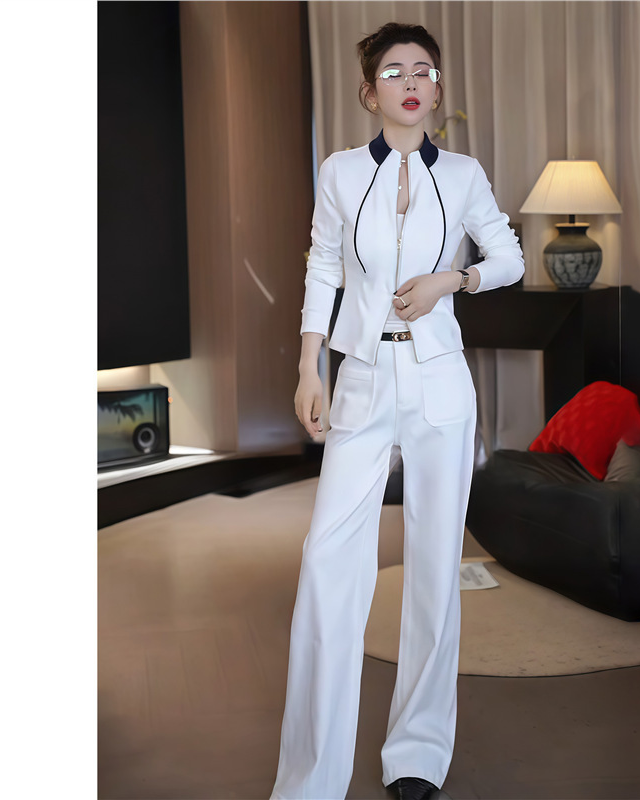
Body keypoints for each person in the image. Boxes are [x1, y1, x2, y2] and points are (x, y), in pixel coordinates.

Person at [270, 22, 524, 800]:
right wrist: (309, 364)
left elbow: (508, 257)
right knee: (327, 561)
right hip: (361, 374)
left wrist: (453, 281)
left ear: (436, 89)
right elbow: (322, 265)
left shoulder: (466, 174)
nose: (411, 81)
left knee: (435, 566)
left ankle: (417, 754)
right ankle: (311, 778)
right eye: (393, 71)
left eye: (423, 70)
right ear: (368, 91)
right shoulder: (342, 172)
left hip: (440, 379)